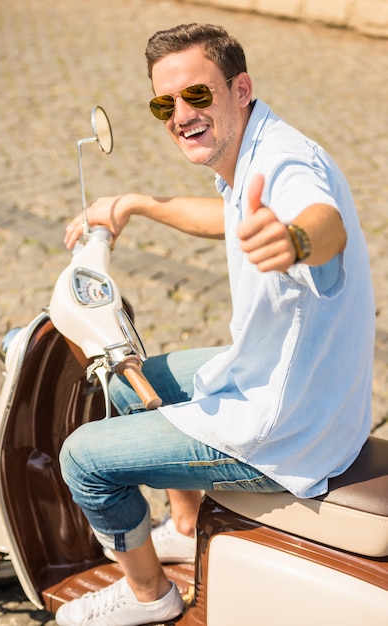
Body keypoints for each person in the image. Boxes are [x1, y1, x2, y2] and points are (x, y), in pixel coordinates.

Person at [56, 23, 375, 626]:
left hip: (287, 424)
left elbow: (321, 220)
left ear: (240, 87)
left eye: (197, 95)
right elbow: (226, 215)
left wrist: (294, 238)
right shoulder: (254, 145)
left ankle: (150, 596)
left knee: (83, 460)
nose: (180, 115)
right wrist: (136, 204)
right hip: (297, 382)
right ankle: (181, 524)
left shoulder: (284, 161)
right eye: (163, 104)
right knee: (128, 383)